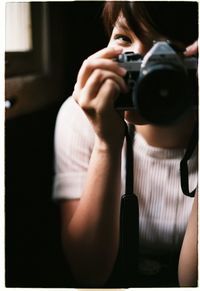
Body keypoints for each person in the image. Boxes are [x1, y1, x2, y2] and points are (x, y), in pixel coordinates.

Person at [53, 1, 198, 287]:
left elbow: (192, 281)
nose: (144, 64)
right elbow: (89, 273)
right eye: (124, 38)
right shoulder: (81, 114)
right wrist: (106, 144)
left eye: (170, 49)